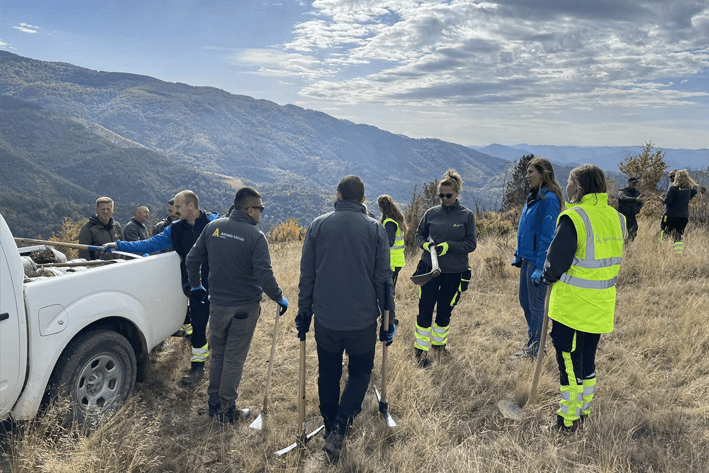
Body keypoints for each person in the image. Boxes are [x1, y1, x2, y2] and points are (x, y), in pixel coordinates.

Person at [296, 175, 395, 463]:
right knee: (361, 373)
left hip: (326, 319)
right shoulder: (375, 229)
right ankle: (340, 425)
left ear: (338, 195)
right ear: (363, 199)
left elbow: (307, 276)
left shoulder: (317, 225)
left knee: (328, 373)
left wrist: (305, 311)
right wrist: (389, 319)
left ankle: (330, 426)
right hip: (362, 321)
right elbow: (383, 280)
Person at [185, 187, 288, 423]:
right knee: (234, 359)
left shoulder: (214, 227)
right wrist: (279, 297)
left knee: (218, 355)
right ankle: (227, 410)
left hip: (217, 304)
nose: (261, 214)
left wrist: (196, 285)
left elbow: (192, 259)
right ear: (249, 210)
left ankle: (214, 404)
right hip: (244, 308)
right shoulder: (255, 237)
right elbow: (264, 275)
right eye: (260, 209)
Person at [541, 164, 626, 432]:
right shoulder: (616, 217)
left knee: (568, 364)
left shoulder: (574, 217)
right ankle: (583, 412)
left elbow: (555, 263)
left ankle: (567, 422)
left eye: (569, 182)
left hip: (573, 307)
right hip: (600, 305)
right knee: (587, 361)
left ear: (577, 187)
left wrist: (546, 274)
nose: (566, 187)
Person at [102, 190, 218, 386]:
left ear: (191, 206)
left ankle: (221, 364)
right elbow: (150, 244)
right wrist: (119, 245)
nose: (174, 211)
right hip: (195, 286)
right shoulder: (175, 229)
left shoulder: (214, 224)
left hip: (219, 284)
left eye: (178, 207)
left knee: (220, 326)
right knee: (198, 326)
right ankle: (198, 367)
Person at [412, 169, 476, 368]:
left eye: (448, 195)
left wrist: (449, 246)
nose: (444, 198)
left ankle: (439, 347)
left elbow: (471, 244)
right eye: (440, 195)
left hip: (455, 272)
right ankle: (420, 353)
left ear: (456, 194)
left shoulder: (466, 215)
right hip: (428, 270)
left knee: (444, 311)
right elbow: (418, 235)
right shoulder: (431, 213)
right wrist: (425, 245)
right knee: (425, 310)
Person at [511, 157, 562, 359]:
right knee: (525, 302)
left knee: (536, 306)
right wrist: (519, 254)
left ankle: (536, 350)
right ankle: (533, 344)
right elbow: (526, 229)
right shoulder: (534, 196)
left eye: (531, 172)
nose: (527, 176)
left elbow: (547, 236)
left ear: (543, 173)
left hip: (536, 261)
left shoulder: (549, 199)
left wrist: (541, 266)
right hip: (527, 259)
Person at [662, 169, 700, 255]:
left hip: (671, 216)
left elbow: (668, 201)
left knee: (666, 233)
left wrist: (662, 199)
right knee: (678, 235)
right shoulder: (688, 190)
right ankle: (678, 253)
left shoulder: (672, 188)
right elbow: (695, 190)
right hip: (683, 217)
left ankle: (664, 251)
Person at [377, 195, 407, 291]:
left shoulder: (389, 223)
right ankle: (389, 305)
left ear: (382, 207)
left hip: (391, 261)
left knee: (388, 290)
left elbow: (389, 242)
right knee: (390, 288)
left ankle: (389, 305)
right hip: (396, 259)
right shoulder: (395, 220)